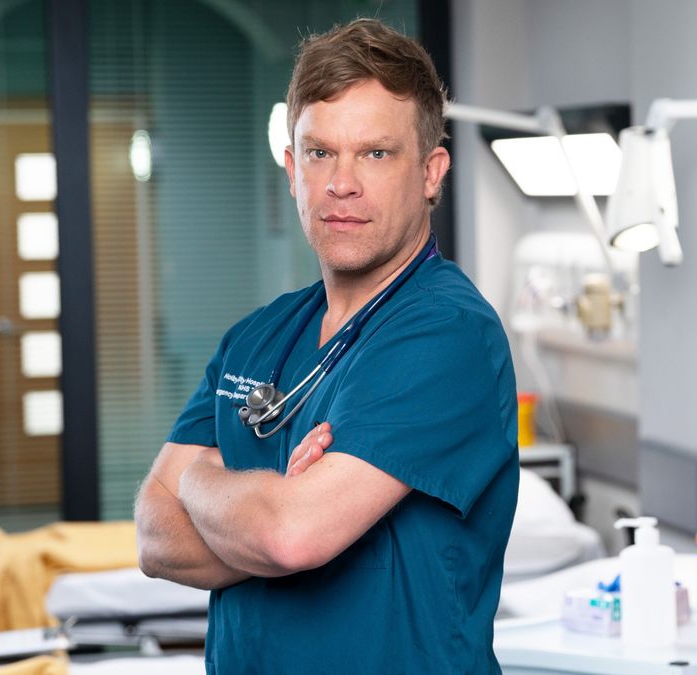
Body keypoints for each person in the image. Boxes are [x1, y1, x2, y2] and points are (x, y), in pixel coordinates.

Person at [133, 18, 519, 675]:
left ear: (431, 172)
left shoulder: (447, 334)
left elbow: (289, 535)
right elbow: (153, 536)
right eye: (319, 152)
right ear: (291, 168)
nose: (342, 183)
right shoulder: (256, 336)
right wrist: (265, 508)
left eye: (375, 153)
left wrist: (199, 478)